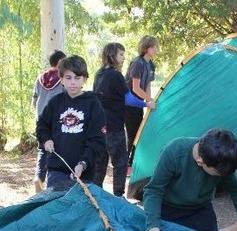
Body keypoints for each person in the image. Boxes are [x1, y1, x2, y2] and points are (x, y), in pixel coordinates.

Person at [143, 129, 237, 231]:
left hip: (200, 209)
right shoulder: (175, 151)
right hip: (168, 209)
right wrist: (153, 224)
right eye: (218, 174)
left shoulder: (224, 160)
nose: (223, 175)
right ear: (200, 161)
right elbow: (154, 190)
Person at [36, 55, 107, 191]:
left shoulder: (93, 104)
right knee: (57, 208)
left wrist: (83, 163)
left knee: (80, 210)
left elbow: (97, 140)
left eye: (77, 78)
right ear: (61, 79)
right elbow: (42, 125)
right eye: (68, 78)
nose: (72, 82)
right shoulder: (55, 102)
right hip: (57, 171)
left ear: (84, 79)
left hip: (84, 173)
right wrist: (46, 140)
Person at [93, 43, 146, 196]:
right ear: (112, 56)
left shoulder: (99, 74)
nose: (123, 58)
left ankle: (95, 195)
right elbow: (128, 99)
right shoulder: (116, 75)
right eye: (121, 55)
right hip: (114, 126)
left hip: (99, 126)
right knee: (120, 163)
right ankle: (118, 195)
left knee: (100, 163)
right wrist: (146, 104)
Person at [32, 50, 67, 191]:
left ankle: (39, 178)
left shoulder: (40, 78)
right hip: (56, 121)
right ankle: (55, 185)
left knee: (42, 150)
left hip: (41, 120)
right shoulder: (62, 79)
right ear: (60, 63)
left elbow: (34, 101)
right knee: (56, 151)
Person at [125, 36, 159, 164]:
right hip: (129, 104)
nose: (156, 49)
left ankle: (133, 161)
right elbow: (135, 88)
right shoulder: (137, 63)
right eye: (154, 47)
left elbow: (148, 85)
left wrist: (149, 101)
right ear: (146, 48)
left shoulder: (151, 64)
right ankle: (128, 163)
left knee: (139, 132)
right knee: (133, 134)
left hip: (139, 104)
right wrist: (148, 101)